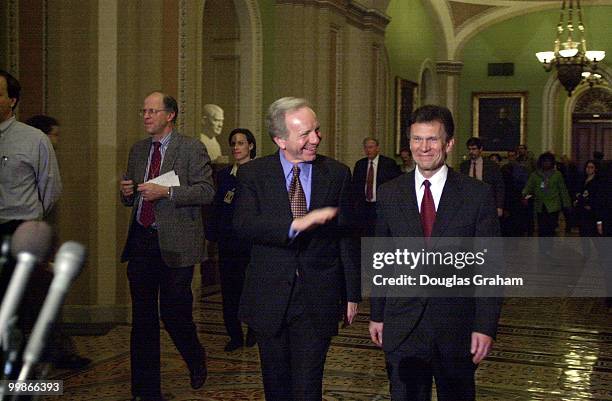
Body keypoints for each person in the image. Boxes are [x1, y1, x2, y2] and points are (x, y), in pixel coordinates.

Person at [369, 105, 502, 401]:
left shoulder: (476, 195)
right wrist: (377, 314)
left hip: (456, 327)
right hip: (403, 325)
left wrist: (485, 325)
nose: (424, 148)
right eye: (417, 139)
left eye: (432, 139)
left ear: (449, 144)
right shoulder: (391, 193)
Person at [233, 97, 360, 401]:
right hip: (269, 297)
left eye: (316, 130)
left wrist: (352, 293)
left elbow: (347, 237)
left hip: (317, 297)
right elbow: (243, 225)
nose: (315, 139)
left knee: (307, 387)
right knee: (276, 386)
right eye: (305, 134)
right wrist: (295, 226)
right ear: (280, 139)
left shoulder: (338, 174)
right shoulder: (254, 175)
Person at [119, 91, 214, 401]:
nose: (146, 116)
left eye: (153, 111)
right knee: (143, 320)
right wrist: (127, 192)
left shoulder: (191, 148)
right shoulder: (137, 150)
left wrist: (167, 193)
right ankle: (145, 392)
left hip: (177, 244)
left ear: (170, 115)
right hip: (142, 241)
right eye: (143, 111)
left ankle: (195, 356)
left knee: (174, 312)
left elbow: (205, 191)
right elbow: (132, 197)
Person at [206, 128, 257, 352]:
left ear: (251, 146)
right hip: (228, 243)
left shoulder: (259, 173)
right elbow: (217, 206)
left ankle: (254, 330)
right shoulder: (224, 175)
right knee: (229, 290)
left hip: (252, 244)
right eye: (233, 143)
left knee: (253, 289)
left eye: (241, 143)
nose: (236, 147)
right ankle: (234, 334)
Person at [0, 70, 61, 238]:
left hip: (20, 228)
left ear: (12, 101)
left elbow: (51, 189)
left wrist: (31, 218)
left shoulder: (34, 139)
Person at [352, 137, 401, 235]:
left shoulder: (388, 163)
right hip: (364, 206)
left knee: (380, 233)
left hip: (381, 204)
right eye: (366, 148)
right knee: (365, 233)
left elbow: (395, 185)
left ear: (377, 148)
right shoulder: (360, 164)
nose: (368, 150)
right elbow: (355, 186)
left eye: (371, 147)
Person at [522, 152, 571, 240]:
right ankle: (543, 249)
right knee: (541, 229)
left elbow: (563, 190)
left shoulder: (557, 175)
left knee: (551, 228)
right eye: (544, 161)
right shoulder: (535, 175)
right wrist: (524, 195)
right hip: (540, 205)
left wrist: (566, 204)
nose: (546, 163)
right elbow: (528, 187)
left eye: (549, 161)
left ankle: (549, 248)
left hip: (553, 205)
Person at [460, 137, 505, 217]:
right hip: (469, 203)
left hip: (486, 203)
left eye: (474, 149)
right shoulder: (464, 166)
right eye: (469, 149)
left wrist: (499, 206)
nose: (471, 152)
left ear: (480, 149)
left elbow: (499, 186)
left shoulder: (491, 166)